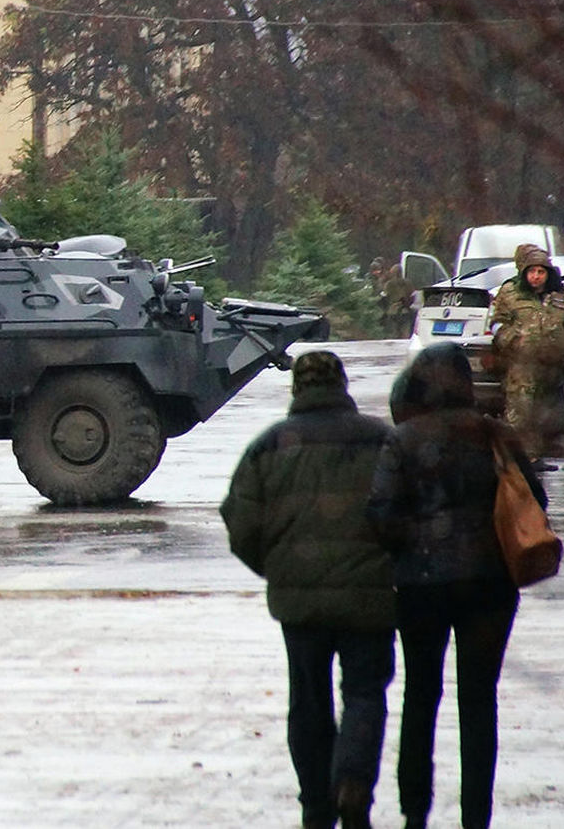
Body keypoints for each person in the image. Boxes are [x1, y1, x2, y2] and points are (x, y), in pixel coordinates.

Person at [368, 343, 547, 829]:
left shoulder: (403, 439)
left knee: (420, 696)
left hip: (422, 586)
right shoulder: (496, 436)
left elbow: (382, 514)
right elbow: (536, 500)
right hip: (490, 586)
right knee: (478, 698)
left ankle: (415, 810)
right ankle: (476, 816)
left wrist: (411, 545)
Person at [221, 351, 395, 829]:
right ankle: (354, 781)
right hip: (371, 596)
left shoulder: (269, 445)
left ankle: (316, 807)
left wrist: (279, 569)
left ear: (296, 389)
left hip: (298, 601)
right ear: (343, 384)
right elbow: (410, 512)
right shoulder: (382, 440)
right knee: (364, 693)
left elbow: (240, 525)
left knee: (308, 701)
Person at [490, 245, 564, 470]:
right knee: (520, 411)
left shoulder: (557, 296)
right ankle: (515, 458)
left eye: (541, 272)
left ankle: (534, 457)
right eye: (532, 272)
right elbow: (497, 324)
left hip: (549, 365)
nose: (536, 277)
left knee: (540, 413)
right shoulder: (510, 293)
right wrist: (514, 341)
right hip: (521, 365)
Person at [382, 265, 415, 337]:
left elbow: (384, 298)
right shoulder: (408, 283)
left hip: (393, 311)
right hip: (405, 311)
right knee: (405, 334)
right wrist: (408, 305)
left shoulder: (389, 284)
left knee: (394, 334)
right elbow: (412, 296)